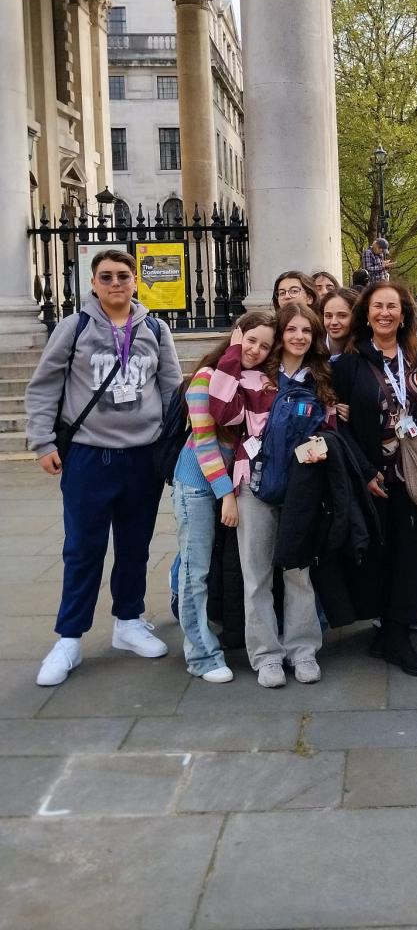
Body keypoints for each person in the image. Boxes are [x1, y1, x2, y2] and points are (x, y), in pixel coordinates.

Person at [25, 248, 183, 686]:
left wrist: (174, 447)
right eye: (107, 276)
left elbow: (171, 391)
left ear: (135, 281)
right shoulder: (74, 327)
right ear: (93, 283)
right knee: (82, 549)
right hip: (89, 456)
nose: (116, 283)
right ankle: (69, 637)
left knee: (136, 545)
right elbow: (44, 386)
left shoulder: (155, 329)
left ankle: (128, 621)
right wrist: (42, 442)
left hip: (143, 457)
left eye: (123, 276)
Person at [209, 304, 330, 687]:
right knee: (256, 574)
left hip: (302, 487)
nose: (299, 336)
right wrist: (234, 352)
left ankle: (303, 650)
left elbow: (331, 429)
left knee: (298, 572)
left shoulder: (321, 378)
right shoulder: (254, 377)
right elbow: (222, 413)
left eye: (306, 330)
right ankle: (266, 656)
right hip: (253, 484)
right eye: (291, 329)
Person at [332, 280, 417, 676]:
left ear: (404, 314)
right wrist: (365, 471)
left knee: (410, 553)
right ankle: (383, 629)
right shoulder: (348, 363)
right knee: (377, 553)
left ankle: (399, 636)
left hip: (412, 474)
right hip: (372, 474)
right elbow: (339, 425)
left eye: (392, 306)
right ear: (366, 314)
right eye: (377, 306)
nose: (385, 313)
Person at [172, 312, 275, 683]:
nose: (256, 350)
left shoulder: (254, 381)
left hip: (230, 482)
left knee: (208, 565)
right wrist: (226, 495)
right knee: (195, 570)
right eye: (251, 340)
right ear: (236, 336)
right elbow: (204, 442)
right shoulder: (206, 376)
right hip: (199, 483)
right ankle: (200, 655)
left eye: (265, 346)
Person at [322, 286, 358, 360]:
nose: (333, 322)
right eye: (328, 316)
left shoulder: (365, 351)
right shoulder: (312, 347)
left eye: (342, 316)